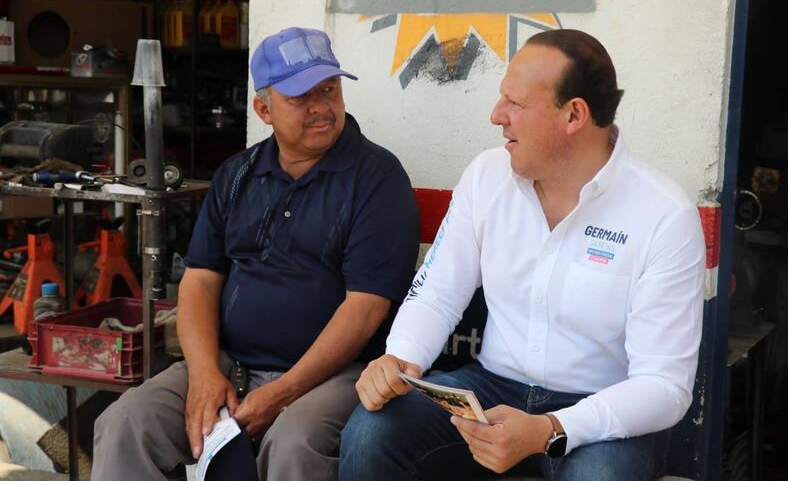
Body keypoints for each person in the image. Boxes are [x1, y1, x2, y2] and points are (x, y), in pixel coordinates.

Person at [339, 29, 706, 480]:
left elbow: (664, 386)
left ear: (574, 114)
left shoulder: (664, 215)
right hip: (490, 389)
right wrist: (400, 358)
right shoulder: (486, 176)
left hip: (599, 408)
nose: (497, 116)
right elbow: (437, 293)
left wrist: (549, 428)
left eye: (516, 103)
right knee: (373, 430)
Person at [92, 27, 420, 481]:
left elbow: (365, 310)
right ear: (263, 109)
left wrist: (283, 392)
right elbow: (200, 281)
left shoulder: (377, 178)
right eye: (300, 97)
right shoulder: (237, 174)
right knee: (126, 421)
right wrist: (205, 374)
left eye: (329, 89)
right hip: (231, 363)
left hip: (337, 375)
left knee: (293, 444)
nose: (321, 106)